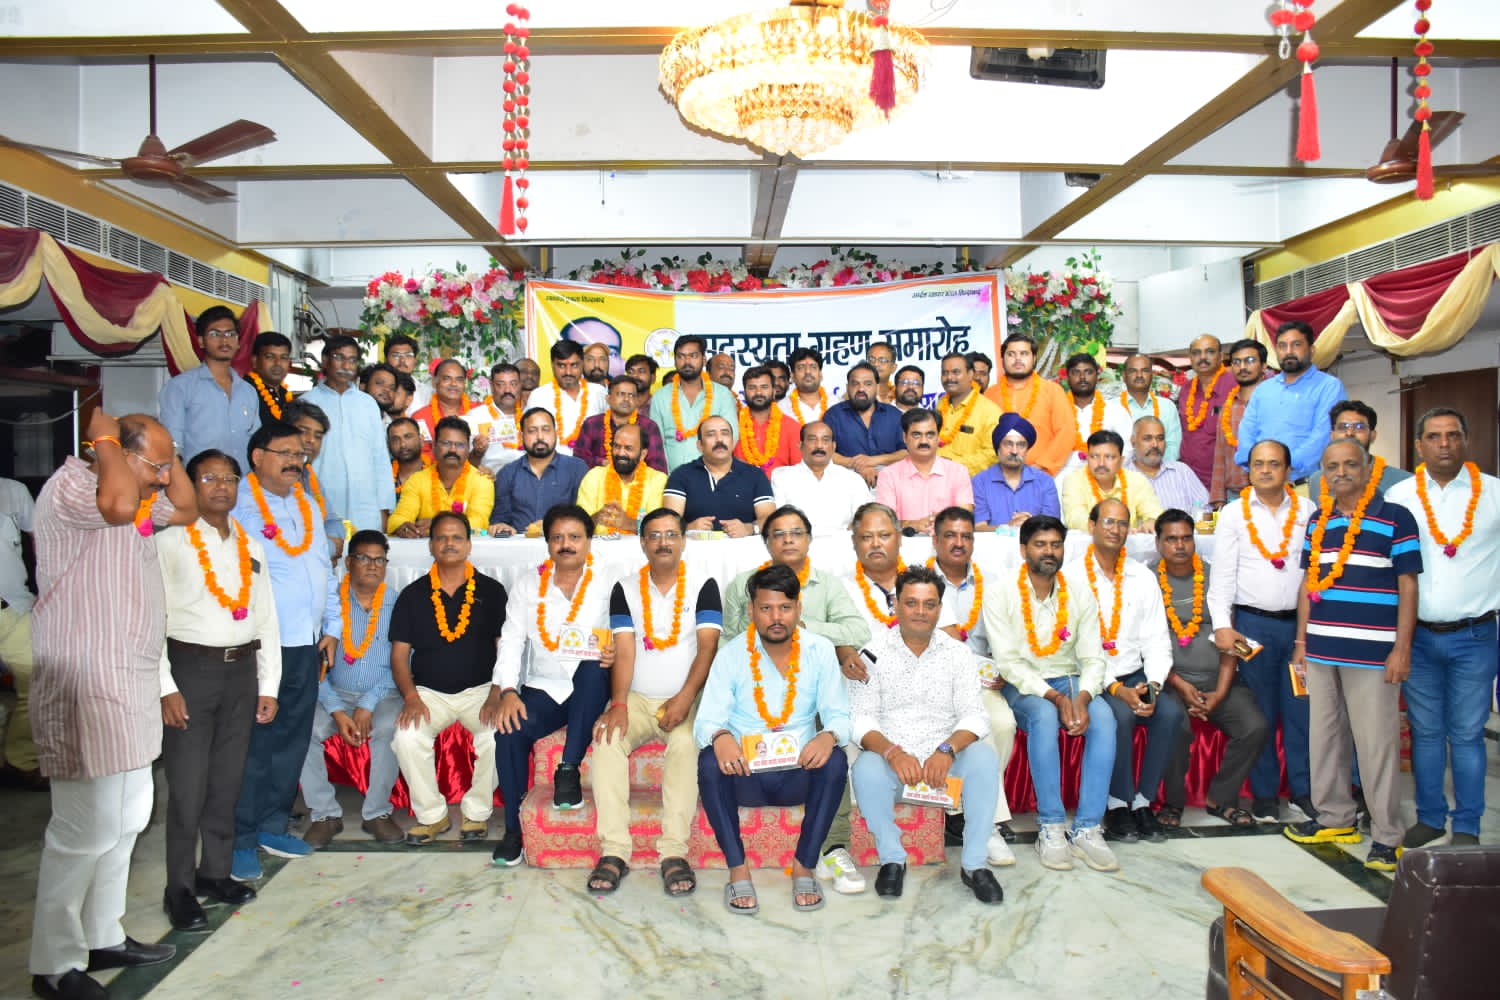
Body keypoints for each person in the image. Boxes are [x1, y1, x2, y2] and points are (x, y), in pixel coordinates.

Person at [28, 413, 194, 997]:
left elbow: (187, 508)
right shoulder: (76, 486)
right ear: (114, 453)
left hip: (132, 683)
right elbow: (119, 505)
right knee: (83, 830)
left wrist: (164, 463)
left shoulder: (138, 494)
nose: (165, 477)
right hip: (86, 682)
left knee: (126, 821)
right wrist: (104, 440)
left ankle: (102, 935)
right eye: (156, 465)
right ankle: (53, 963)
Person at [1284, 439, 1420, 871]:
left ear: (1367, 468)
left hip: (1373, 654)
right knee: (1325, 739)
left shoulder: (1396, 517)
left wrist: (1402, 648)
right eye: (1331, 466)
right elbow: (1309, 583)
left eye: (1349, 464)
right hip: (1321, 650)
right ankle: (1335, 817)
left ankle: (1387, 835)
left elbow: (1408, 586)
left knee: (1376, 746)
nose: (1340, 472)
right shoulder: (1318, 521)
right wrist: (1301, 643)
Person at [157, 449, 279, 931]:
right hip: (190, 670)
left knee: (227, 781)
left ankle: (215, 872)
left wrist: (268, 684)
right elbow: (150, 620)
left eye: (229, 478)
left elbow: (265, 617)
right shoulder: (170, 541)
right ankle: (179, 887)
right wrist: (164, 686)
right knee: (188, 787)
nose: (222, 486)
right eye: (209, 478)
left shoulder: (250, 544)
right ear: (189, 485)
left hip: (241, 672)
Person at [694, 564, 851, 915]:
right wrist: (720, 735)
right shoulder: (731, 654)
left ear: (798, 608)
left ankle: (804, 866)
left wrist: (828, 735)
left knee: (836, 758)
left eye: (785, 608)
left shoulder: (820, 650)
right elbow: (706, 721)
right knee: (708, 760)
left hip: (797, 772)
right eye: (766, 608)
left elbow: (840, 716)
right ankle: (738, 870)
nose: (776, 618)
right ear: (751, 610)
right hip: (745, 774)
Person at [588, 508, 722, 896]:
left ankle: (674, 852)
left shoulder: (704, 584)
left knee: (686, 744)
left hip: (685, 698)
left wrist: (684, 699)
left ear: (683, 541)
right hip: (637, 698)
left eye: (671, 535)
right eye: (655, 536)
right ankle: (614, 850)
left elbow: (708, 647)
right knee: (607, 740)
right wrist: (618, 704)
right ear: (643, 543)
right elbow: (625, 649)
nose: (663, 543)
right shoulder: (626, 587)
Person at [850, 566, 1004, 904]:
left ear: (939, 608)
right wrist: (892, 752)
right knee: (865, 768)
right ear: (896, 605)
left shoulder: (958, 654)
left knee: (983, 757)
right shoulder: (872, 653)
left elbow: (975, 715)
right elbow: (860, 720)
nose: (920, 612)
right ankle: (893, 859)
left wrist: (947, 750)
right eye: (911, 603)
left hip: (944, 762)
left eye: (929, 604)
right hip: (895, 762)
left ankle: (974, 864)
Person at [1386, 407, 1500, 849]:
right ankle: (1430, 818)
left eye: (1453, 435)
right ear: (1419, 446)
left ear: (1466, 439)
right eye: (1434, 437)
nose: (1445, 444)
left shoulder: (1493, 493)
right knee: (1427, 732)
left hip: (1475, 636)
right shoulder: (1400, 496)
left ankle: (1467, 825)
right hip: (1417, 637)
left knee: (1468, 735)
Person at [228, 421, 335, 881]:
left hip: (306, 643)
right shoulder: (237, 506)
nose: (296, 461)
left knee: (292, 740)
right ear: (257, 457)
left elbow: (324, 570)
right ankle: (240, 837)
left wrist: (331, 626)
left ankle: (272, 826)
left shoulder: (306, 504)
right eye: (286, 453)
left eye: (300, 454)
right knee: (255, 745)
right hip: (262, 647)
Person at [984, 515, 1118, 873]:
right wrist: (1056, 699)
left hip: (1071, 682)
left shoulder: (1079, 591)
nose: (1049, 552)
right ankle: (1052, 826)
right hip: (1023, 685)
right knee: (1043, 717)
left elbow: (1093, 657)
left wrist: (1083, 697)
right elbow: (1009, 663)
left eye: (1056, 545)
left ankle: (1087, 828)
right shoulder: (1000, 593)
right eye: (1040, 544)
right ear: (1023, 549)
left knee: (1105, 718)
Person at [487, 505, 614, 866]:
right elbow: (512, 640)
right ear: (547, 544)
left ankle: (568, 769)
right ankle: (513, 830)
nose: (566, 544)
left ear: (588, 541)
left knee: (592, 667)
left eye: (574, 537)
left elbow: (625, 633)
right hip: (545, 687)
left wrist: (614, 653)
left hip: (593, 685)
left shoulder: (608, 580)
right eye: (557, 537)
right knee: (508, 731)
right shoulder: (528, 583)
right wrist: (507, 690)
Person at [1207, 438, 1314, 824]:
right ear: (1249, 470)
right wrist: (1223, 626)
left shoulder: (1307, 511)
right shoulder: (1234, 513)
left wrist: (1306, 635)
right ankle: (1266, 794)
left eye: (1274, 464)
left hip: (1298, 628)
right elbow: (1222, 577)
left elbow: (1313, 574)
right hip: (1252, 627)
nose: (1265, 470)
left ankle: (1303, 791)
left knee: (1301, 710)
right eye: (1258, 464)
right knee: (1262, 711)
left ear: (1288, 470)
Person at [390, 512, 507, 846]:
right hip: (428, 693)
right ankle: (432, 815)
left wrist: (496, 694)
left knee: (498, 736)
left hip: (481, 690)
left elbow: (506, 649)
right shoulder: (413, 594)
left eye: (457, 537)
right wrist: (411, 698)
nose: (449, 544)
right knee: (407, 737)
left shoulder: (491, 591)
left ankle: (477, 812)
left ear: (469, 545)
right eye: (441, 537)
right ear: (431, 546)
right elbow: (399, 656)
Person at [1067, 499, 1177, 845]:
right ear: (1092, 526)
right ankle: (1116, 804)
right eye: (1108, 522)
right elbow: (1075, 647)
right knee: (1122, 716)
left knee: (1170, 713)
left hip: (1136, 674)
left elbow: (1157, 639)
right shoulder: (1072, 576)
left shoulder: (1141, 576)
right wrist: (1116, 689)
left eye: (1122, 523)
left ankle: (1142, 801)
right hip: (1091, 677)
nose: (1115, 530)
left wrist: (1153, 687)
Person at [1156, 511, 1269, 828]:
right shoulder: (1146, 581)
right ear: (1158, 543)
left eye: (1186, 538)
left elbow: (1230, 638)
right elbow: (1146, 645)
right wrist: (1180, 686)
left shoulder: (1216, 579)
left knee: (1254, 725)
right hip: (1171, 683)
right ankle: (1172, 803)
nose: (1180, 545)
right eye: (1171, 539)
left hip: (1219, 680)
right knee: (1174, 724)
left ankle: (1222, 798)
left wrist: (1220, 691)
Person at [300, 531, 404, 849]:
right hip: (333, 694)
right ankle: (325, 814)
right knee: (305, 729)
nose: (372, 566)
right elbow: (314, 666)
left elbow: (402, 664)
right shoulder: (327, 603)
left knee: (389, 729)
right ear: (348, 563)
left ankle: (377, 813)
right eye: (364, 558)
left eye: (379, 560)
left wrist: (368, 704)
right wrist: (335, 709)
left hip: (383, 694)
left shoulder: (398, 603)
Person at [929, 507, 1017, 865]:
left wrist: (1004, 667)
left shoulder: (992, 582)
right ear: (935, 540)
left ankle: (966, 810)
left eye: (966, 536)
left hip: (982, 681)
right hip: (936, 682)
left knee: (1003, 724)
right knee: (979, 730)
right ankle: (986, 824)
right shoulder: (920, 582)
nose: (958, 543)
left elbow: (1008, 635)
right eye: (950, 535)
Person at [719, 505, 870, 656]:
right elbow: (728, 639)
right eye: (779, 534)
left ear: (809, 539)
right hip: (753, 665)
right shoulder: (742, 584)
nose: (788, 540)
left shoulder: (828, 585)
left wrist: (804, 627)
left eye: (796, 533)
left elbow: (859, 632)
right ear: (766, 542)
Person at [1234, 322, 1348, 484]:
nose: (1288, 352)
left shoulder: (1329, 386)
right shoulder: (1263, 389)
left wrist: (1282, 466)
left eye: (1296, 345)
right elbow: (1247, 431)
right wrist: (1258, 464)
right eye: (1282, 346)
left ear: (1312, 350)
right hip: (1262, 482)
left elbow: (1322, 435)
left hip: (1305, 484)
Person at [302, 335, 395, 532]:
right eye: (339, 358)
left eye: (352, 360)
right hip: (320, 500)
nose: (346, 365)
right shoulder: (306, 403)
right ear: (325, 360)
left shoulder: (368, 404)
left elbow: (380, 457)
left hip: (366, 504)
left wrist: (384, 507)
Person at [158, 305, 260, 463]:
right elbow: (172, 447)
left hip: (243, 478)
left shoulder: (248, 391)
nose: (224, 340)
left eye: (230, 334)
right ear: (201, 341)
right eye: (215, 334)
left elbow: (256, 443)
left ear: (238, 342)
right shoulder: (180, 387)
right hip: (197, 478)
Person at [662, 415, 774, 538]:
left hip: (743, 547)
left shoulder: (755, 475)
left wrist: (749, 528)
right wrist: (688, 528)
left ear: (733, 442)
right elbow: (668, 522)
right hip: (694, 548)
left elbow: (770, 519)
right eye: (711, 434)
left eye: (725, 433)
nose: (719, 439)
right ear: (700, 445)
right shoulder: (681, 475)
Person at [983, 334, 1074, 476]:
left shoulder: (1052, 391)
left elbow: (1066, 433)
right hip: (998, 475)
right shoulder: (990, 394)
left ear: (1034, 358)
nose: (1018, 359)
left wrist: (1041, 467)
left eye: (1024, 354)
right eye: (1011, 354)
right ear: (1002, 360)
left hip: (1041, 475)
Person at [387, 417, 495, 536]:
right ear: (434, 446)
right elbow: (398, 518)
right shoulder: (417, 480)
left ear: (468, 449)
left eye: (460, 445)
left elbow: (479, 522)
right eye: (446, 443)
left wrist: (438, 525)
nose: (453, 449)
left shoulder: (482, 480)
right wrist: (402, 527)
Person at [490, 408, 587, 537]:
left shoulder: (576, 469)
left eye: (546, 430)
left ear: (555, 433)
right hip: (518, 545)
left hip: (564, 542)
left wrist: (552, 526)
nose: (540, 437)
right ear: (521, 436)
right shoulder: (507, 473)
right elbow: (500, 518)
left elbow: (584, 517)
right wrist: (501, 525)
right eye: (532, 431)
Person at [875, 409, 974, 534]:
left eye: (930, 435)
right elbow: (884, 521)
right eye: (916, 435)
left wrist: (943, 522)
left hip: (947, 543)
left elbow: (965, 518)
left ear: (938, 437)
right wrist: (912, 524)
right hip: (905, 543)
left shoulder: (958, 472)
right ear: (905, 437)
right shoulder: (888, 475)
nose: (923, 441)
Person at [0, 474, 39, 788]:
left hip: (13, 608)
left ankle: (20, 761)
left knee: (38, 682)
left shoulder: (13, 491)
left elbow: (41, 540)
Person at [651, 335, 739, 472]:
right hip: (672, 478)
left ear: (703, 360)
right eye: (681, 356)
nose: (687, 361)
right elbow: (656, 444)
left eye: (693, 356)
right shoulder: (660, 397)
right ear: (675, 361)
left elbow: (730, 438)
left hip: (714, 476)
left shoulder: (723, 395)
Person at [770, 421, 872, 535]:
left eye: (825, 440)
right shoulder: (781, 477)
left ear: (833, 446)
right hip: (797, 543)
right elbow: (778, 520)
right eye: (812, 439)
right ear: (800, 445)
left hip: (843, 543)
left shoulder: (853, 480)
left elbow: (864, 519)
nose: (819, 445)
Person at [822, 362, 906, 489]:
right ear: (847, 387)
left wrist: (873, 461)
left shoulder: (895, 415)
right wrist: (857, 465)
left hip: (892, 483)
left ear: (877, 387)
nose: (861, 389)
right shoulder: (834, 415)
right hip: (846, 483)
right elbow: (825, 453)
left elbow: (907, 453)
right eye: (855, 384)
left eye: (868, 384)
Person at [1060, 429, 1163, 532]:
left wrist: (1152, 521)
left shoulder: (1137, 480)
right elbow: (1074, 517)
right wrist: (1110, 528)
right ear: (1087, 458)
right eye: (1094, 456)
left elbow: (1155, 513)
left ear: (1121, 461)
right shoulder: (1074, 480)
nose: (1101, 463)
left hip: (1129, 541)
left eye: (1109, 457)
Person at [1306, 400, 1412, 497]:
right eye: (1343, 427)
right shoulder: (1317, 481)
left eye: (1359, 427)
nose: (1349, 433)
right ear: (1332, 435)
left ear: (1372, 436)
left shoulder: (1402, 481)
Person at [576, 422, 668, 535]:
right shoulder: (594, 476)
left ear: (643, 454)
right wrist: (597, 517)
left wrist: (629, 523)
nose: (620, 453)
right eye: (617, 446)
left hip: (641, 546)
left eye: (628, 448)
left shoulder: (657, 480)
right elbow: (577, 527)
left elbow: (660, 528)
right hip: (599, 545)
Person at [972, 414, 1060, 530]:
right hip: (995, 542)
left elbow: (1053, 528)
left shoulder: (1045, 481)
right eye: (1008, 444)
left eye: (1021, 445)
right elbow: (978, 528)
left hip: (1036, 542)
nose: (1014, 451)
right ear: (998, 447)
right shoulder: (979, 482)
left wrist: (1030, 526)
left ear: (1027, 449)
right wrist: (1008, 527)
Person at [282, 400, 345, 557]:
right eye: (303, 431)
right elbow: (289, 537)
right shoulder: (274, 477)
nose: (311, 440)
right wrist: (330, 547)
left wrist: (330, 542)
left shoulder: (308, 476)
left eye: (318, 436)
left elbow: (333, 522)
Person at [572, 375, 668, 473]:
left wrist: (630, 469)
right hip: (598, 481)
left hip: (638, 481)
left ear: (637, 401)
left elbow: (658, 467)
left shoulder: (648, 426)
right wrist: (602, 463)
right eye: (621, 394)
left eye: (631, 395)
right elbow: (579, 460)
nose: (626, 399)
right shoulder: (592, 424)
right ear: (608, 398)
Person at [1209, 339, 1266, 505]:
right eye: (1236, 362)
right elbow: (1220, 455)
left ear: (1264, 366)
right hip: (1234, 496)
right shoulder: (1228, 406)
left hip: (1270, 492)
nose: (1242, 367)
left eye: (1250, 360)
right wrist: (1218, 499)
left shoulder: (1275, 401)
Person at [1059, 353, 1133, 477]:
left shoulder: (1116, 411)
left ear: (1097, 376)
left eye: (1088, 372)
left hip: (1105, 477)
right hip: (1062, 476)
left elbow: (1127, 449)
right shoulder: (1056, 411)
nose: (1082, 377)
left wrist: (1108, 473)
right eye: (1076, 372)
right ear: (1067, 377)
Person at [1178, 335, 1234, 490]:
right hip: (1189, 479)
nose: (1202, 357)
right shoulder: (1186, 390)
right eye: (1196, 353)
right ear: (1190, 358)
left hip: (1224, 482)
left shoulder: (1234, 386)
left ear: (1221, 356)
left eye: (1209, 352)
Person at [935, 352, 1003, 477]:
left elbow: (993, 454)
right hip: (936, 480)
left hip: (972, 483)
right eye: (945, 373)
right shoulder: (940, 405)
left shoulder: (990, 411)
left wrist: (953, 465)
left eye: (956, 372)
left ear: (970, 374)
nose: (949, 377)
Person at [534, 340, 607, 456]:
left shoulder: (599, 392)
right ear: (552, 365)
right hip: (553, 464)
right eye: (561, 365)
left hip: (593, 464)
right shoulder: (538, 396)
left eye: (574, 365)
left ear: (582, 364)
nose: (568, 372)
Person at [1125, 416, 1209, 513]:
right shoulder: (1123, 476)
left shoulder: (1181, 471)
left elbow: (1206, 509)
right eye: (1147, 438)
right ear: (1133, 442)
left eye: (1160, 438)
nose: (1155, 444)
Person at [734, 365, 801, 474]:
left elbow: (798, 471)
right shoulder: (732, 424)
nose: (758, 392)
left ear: (774, 391)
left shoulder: (792, 427)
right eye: (752, 387)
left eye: (764, 387)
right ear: (744, 392)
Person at [465, 362, 527, 474]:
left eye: (513, 384)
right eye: (501, 384)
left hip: (526, 479)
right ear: (492, 386)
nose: (507, 390)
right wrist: (477, 452)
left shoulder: (529, 415)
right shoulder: (476, 416)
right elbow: (464, 462)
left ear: (520, 385)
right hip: (489, 479)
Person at [1119, 354, 1181, 463]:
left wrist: (1157, 469)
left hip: (1161, 470)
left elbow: (1173, 446)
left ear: (1152, 375)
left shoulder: (1167, 407)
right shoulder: (1111, 407)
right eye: (1133, 371)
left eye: (1145, 370)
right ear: (1124, 376)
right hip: (1122, 471)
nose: (1139, 375)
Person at [413, 358, 476, 455]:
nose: (453, 384)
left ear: (464, 384)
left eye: (459, 379)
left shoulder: (479, 411)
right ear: (434, 382)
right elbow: (421, 455)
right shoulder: (420, 417)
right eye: (447, 378)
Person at [246, 331, 297, 425]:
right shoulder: (245, 391)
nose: (278, 363)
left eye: (283, 357)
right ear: (255, 361)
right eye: (270, 357)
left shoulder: (285, 394)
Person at [781, 346, 830, 425]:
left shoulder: (836, 404)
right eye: (801, 367)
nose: (807, 371)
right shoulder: (781, 409)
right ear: (792, 376)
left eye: (813, 367)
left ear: (820, 375)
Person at [383, 334, 430, 415]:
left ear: (415, 360)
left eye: (408, 355)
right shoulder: (378, 390)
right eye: (396, 355)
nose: (402, 361)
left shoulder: (427, 392)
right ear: (386, 359)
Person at [387, 417, 427, 500]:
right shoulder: (383, 476)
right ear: (388, 445)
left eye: (408, 437)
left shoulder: (438, 473)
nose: (403, 445)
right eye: (395, 439)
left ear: (421, 440)